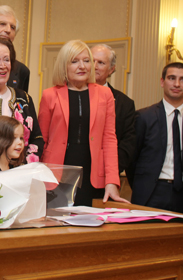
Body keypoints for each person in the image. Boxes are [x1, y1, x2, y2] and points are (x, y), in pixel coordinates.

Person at [38, 40, 128, 206]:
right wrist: (38, 177)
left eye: (86, 61)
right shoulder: (49, 95)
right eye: (74, 61)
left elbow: (109, 140)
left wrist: (112, 181)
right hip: (56, 174)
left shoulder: (105, 94)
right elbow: (41, 139)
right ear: (64, 65)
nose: (82, 66)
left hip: (92, 174)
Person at [128, 62, 183, 214]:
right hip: (150, 193)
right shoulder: (144, 117)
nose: (177, 84)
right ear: (162, 82)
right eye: (172, 78)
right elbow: (132, 160)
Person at [90, 44, 136, 173]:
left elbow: (127, 144)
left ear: (111, 69)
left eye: (101, 63)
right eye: (91, 61)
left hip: (106, 174)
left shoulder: (124, 104)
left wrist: (109, 170)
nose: (94, 66)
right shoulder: (70, 95)